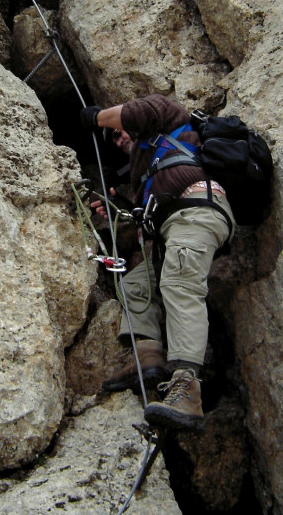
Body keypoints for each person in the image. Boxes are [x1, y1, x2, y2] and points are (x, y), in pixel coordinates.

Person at [80, 94, 235, 431]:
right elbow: (143, 218)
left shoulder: (169, 118)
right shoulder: (146, 172)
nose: (120, 138)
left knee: (179, 285)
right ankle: (147, 355)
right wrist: (118, 204)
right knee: (137, 284)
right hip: (175, 226)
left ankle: (187, 389)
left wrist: (97, 118)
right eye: (115, 140)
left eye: (120, 132)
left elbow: (137, 111)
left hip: (196, 210)